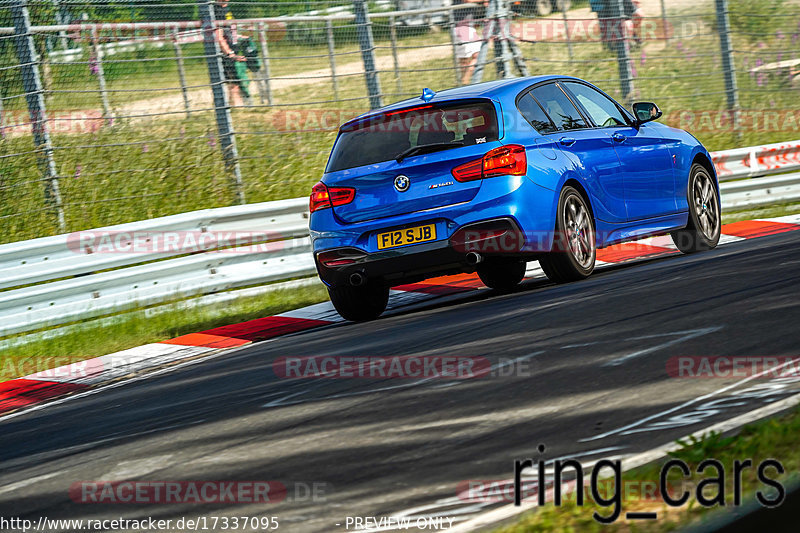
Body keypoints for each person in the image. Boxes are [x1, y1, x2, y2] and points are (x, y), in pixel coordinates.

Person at [214, 0, 250, 106]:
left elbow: (229, 31)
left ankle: (233, 108)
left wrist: (241, 37)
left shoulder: (226, 8)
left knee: (235, 83)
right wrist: (230, 54)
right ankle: (236, 109)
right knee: (233, 83)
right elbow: (218, 36)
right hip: (226, 52)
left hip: (233, 49)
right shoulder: (217, 10)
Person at [453, 0, 488, 85]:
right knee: (465, 60)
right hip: (462, 29)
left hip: (468, 28)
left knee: (477, 56)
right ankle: (464, 82)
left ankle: (463, 82)